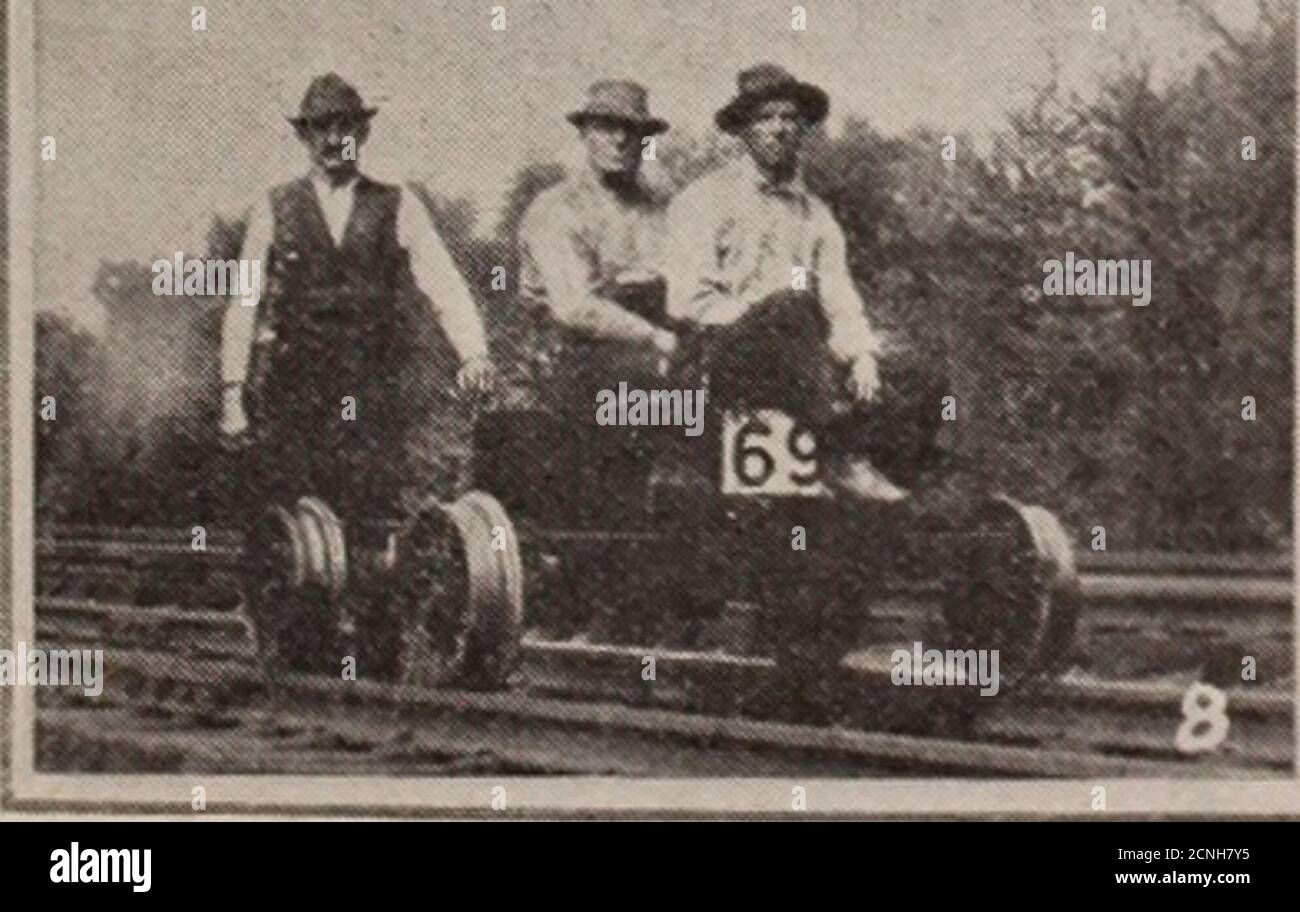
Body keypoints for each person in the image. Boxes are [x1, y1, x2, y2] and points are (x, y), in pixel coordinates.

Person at [218, 73, 495, 525]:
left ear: (362, 134)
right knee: (295, 524)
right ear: (303, 137)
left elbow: (444, 283)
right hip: (296, 392)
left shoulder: (397, 203)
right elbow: (243, 302)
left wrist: (475, 354)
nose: (333, 140)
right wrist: (233, 391)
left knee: (369, 517)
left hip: (373, 389)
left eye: (344, 128)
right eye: (320, 129)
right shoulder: (275, 206)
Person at [666, 64, 935, 502]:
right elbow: (687, 301)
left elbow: (839, 298)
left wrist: (862, 354)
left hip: (801, 356)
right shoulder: (702, 200)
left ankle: (893, 485)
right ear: (743, 129)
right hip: (719, 357)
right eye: (765, 118)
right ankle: (839, 455)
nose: (778, 129)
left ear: (803, 129)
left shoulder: (816, 216)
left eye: (789, 119)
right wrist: (767, 319)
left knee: (916, 371)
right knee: (789, 307)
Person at [506, 79, 677, 528]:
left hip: (655, 355)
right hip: (569, 361)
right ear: (585, 134)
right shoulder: (556, 209)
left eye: (630, 129)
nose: (619, 139)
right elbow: (575, 308)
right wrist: (657, 339)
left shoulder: (661, 208)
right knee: (650, 394)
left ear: (645, 139)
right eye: (606, 127)